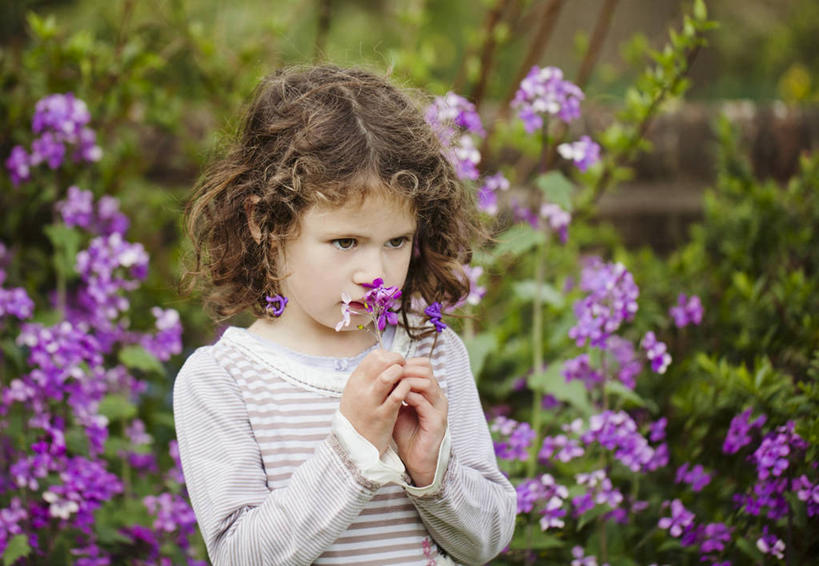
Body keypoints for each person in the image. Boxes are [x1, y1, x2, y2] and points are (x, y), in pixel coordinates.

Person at [175, 65, 516, 565]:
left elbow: (487, 540)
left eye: (396, 241)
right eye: (345, 242)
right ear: (263, 222)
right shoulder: (221, 382)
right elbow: (242, 557)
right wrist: (351, 448)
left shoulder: (431, 350)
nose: (374, 272)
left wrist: (433, 472)